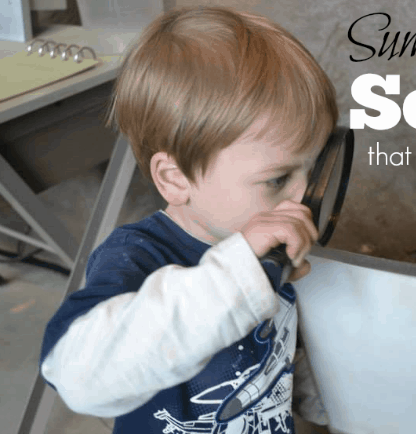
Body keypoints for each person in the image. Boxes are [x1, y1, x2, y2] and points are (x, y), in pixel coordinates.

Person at [39, 6, 338, 434]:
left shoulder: (271, 241)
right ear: (175, 178)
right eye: (277, 180)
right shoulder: (137, 255)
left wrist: (333, 400)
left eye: (315, 169)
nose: (304, 200)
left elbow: (280, 353)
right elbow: (76, 377)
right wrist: (233, 280)